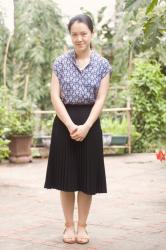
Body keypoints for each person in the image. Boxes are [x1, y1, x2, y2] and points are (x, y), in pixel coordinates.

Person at [44, 14, 112, 244]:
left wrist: (86, 126)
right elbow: (55, 95)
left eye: (83, 33)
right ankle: (68, 226)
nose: (79, 38)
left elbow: (101, 99)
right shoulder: (60, 63)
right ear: (70, 35)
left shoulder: (102, 65)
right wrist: (72, 125)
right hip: (65, 123)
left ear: (92, 34)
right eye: (74, 34)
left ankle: (82, 226)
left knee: (86, 179)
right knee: (66, 178)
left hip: (90, 123)